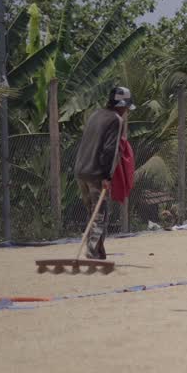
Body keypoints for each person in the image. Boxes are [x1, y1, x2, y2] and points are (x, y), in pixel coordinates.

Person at [72, 86, 132, 260]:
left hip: (81, 170)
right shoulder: (116, 120)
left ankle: (98, 248)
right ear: (121, 105)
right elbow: (110, 150)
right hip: (96, 172)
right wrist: (107, 176)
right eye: (126, 107)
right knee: (100, 213)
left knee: (92, 211)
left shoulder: (95, 114)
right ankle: (92, 250)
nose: (127, 110)